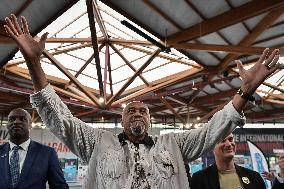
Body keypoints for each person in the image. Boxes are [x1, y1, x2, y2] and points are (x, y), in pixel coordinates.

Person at [4, 14, 280, 189]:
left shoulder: (175, 144)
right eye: (131, 110)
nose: (137, 113)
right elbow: (58, 116)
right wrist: (33, 62)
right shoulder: (97, 142)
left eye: (143, 111)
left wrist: (245, 91)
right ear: (122, 120)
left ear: (149, 120)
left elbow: (215, 127)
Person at [0, 108, 68, 189]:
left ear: (30, 125)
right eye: (12, 119)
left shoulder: (47, 153)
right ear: (7, 125)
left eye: (22, 119)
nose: (16, 122)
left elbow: (59, 186)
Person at [190, 133, 266, 189]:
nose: (228, 144)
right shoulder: (199, 179)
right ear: (212, 147)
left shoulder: (254, 177)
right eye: (222, 140)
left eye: (230, 139)